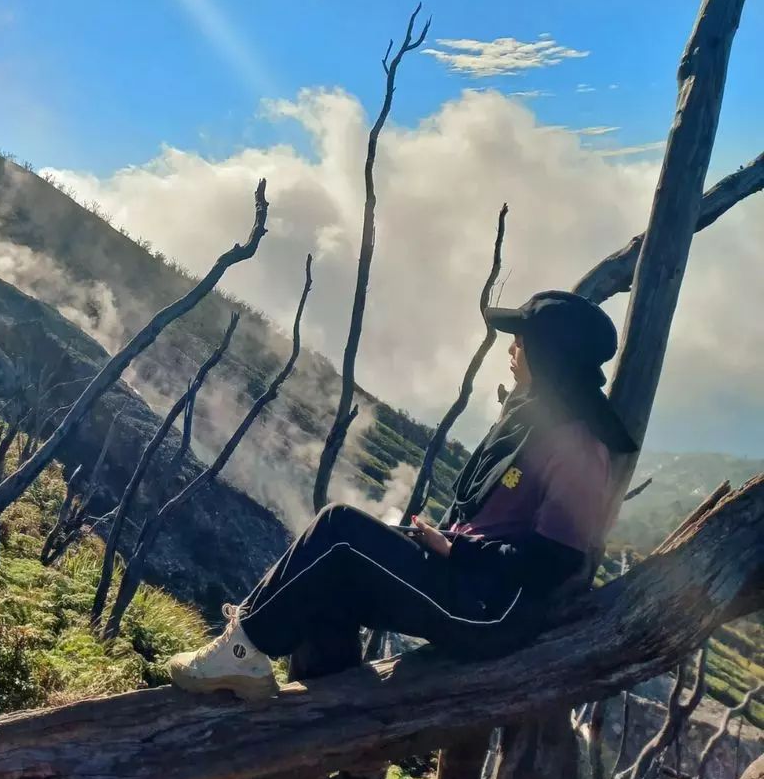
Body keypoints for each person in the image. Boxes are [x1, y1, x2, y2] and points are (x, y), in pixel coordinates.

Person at [167, 289, 638, 700]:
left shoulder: (577, 448)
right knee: (330, 578)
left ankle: (242, 652)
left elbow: (555, 561)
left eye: (523, 340)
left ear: (551, 357)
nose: (513, 348)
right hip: (468, 584)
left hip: (492, 612)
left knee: (338, 528)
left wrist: (459, 550)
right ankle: (334, 719)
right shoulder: (530, 421)